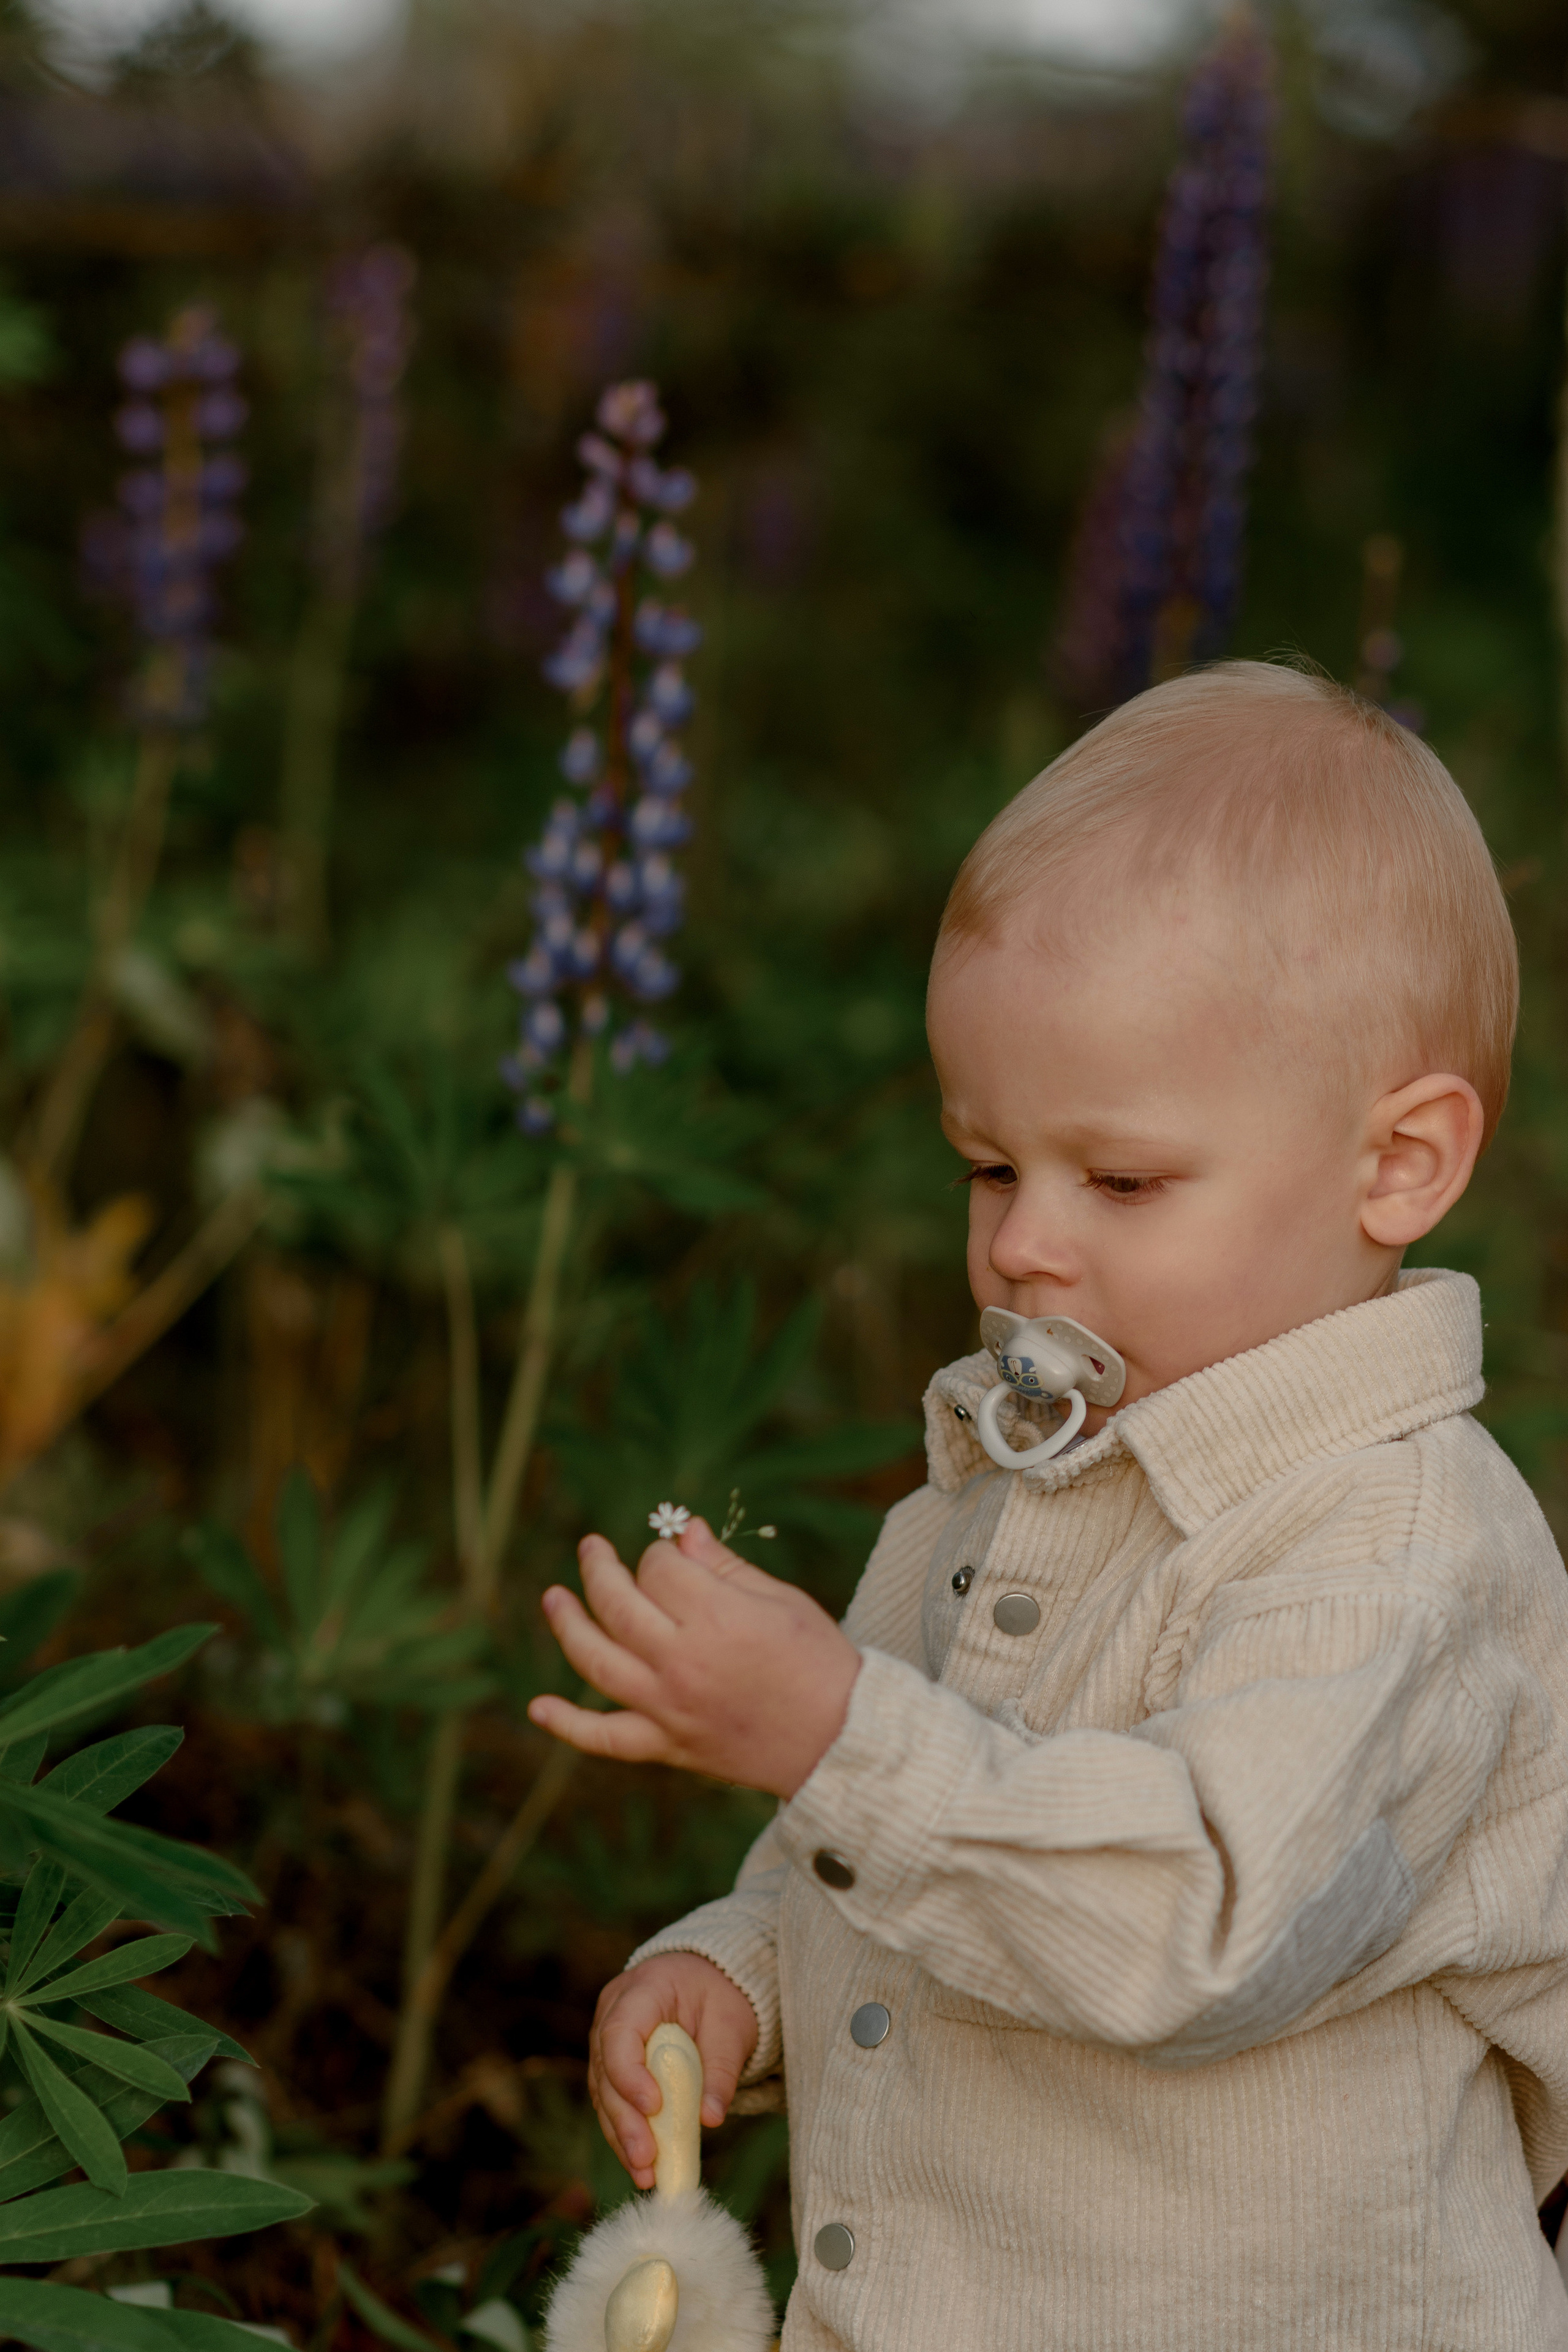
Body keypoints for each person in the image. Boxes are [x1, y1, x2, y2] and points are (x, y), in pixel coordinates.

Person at [528, 660, 1568, 2351]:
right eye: (990, 1166)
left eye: (1124, 1179)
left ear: (1399, 1165)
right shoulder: (1006, 1490)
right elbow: (885, 1839)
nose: (1023, 1243)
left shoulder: (1393, 1550)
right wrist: (744, 1970)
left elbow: (1199, 1921)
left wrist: (833, 1729)